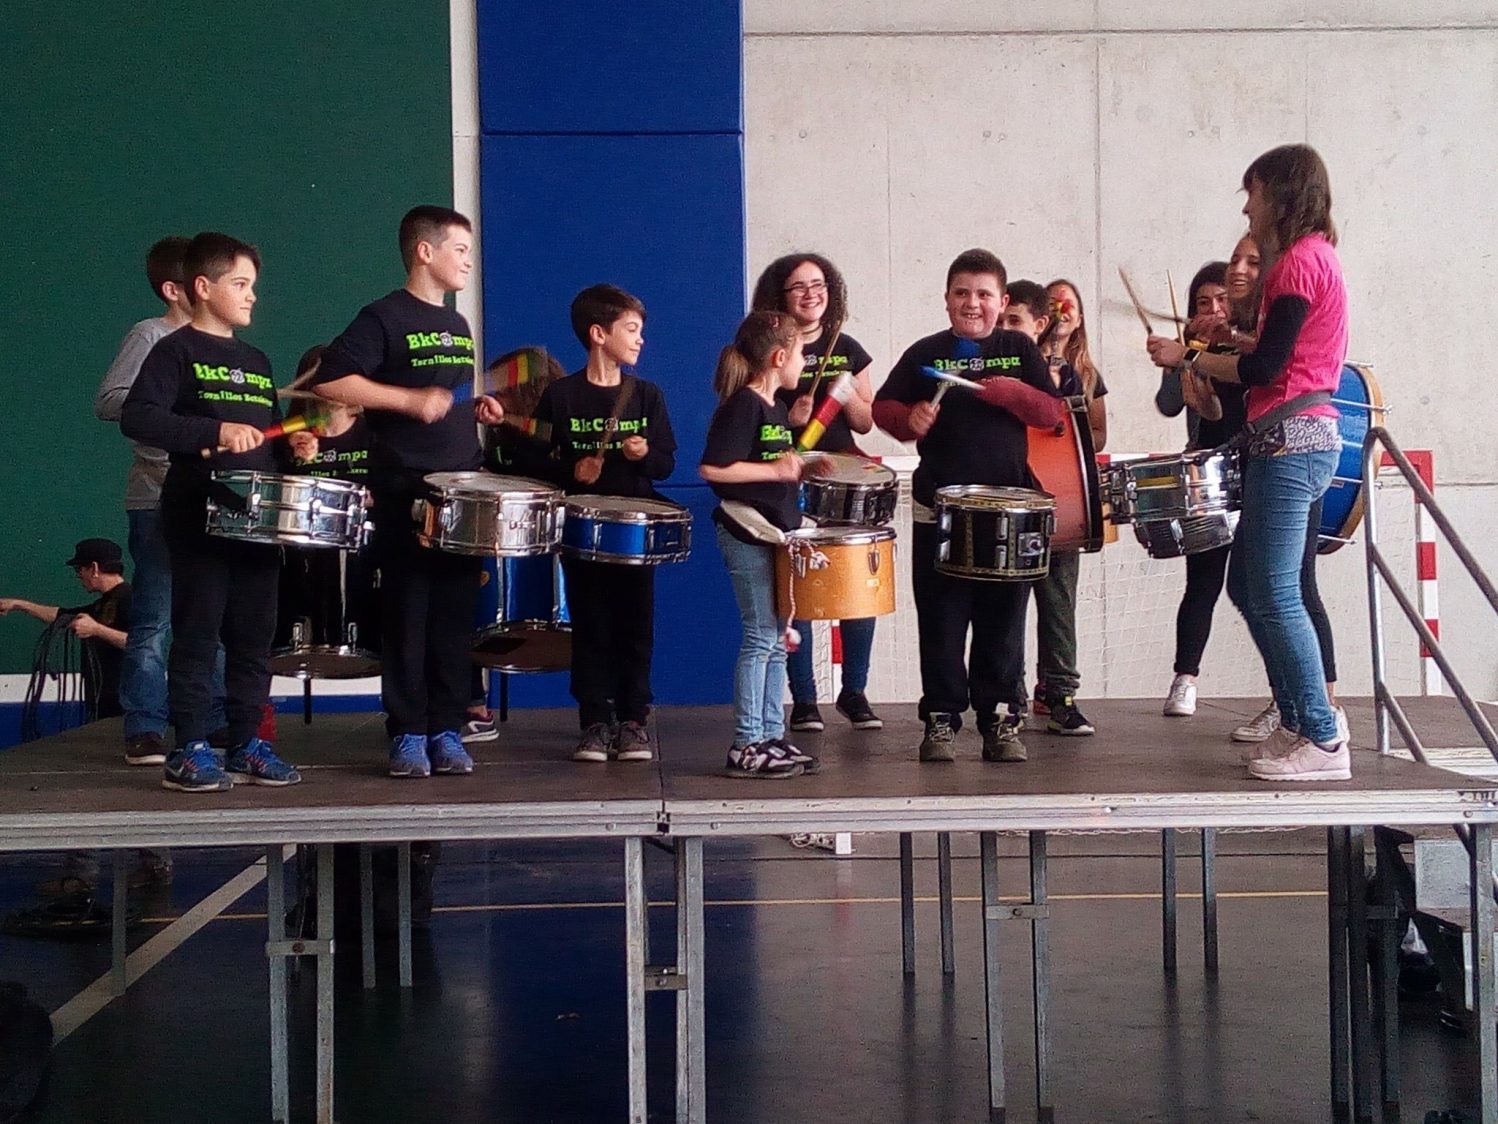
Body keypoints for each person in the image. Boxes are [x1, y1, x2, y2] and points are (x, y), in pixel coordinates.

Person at [1147, 144, 1350, 781]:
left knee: (1277, 590)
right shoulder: (1311, 260)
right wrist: (1231, 336)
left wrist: (1186, 357)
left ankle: (1322, 734)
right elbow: (1278, 349)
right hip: (1287, 441)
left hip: (1294, 442)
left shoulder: (1298, 263)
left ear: (1281, 195)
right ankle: (1298, 719)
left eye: (1253, 193)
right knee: (1250, 586)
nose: (1246, 208)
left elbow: (1265, 369)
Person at [306, 205, 505, 778]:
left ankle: (447, 728)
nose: (467, 260)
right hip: (404, 490)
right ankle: (408, 731)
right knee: (409, 616)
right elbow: (331, 380)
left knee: (454, 619)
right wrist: (408, 401)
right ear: (425, 251)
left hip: (461, 490)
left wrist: (474, 410)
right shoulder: (383, 316)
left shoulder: (458, 325)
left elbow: (444, 399)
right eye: (459, 249)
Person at [121, 232, 301, 791]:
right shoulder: (173, 351)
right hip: (198, 513)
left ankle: (246, 742)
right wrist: (213, 431)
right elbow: (137, 417)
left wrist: (294, 450)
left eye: (253, 285)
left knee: (253, 637)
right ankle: (190, 747)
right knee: (197, 634)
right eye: (240, 284)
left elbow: (265, 440)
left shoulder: (256, 360)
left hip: (257, 520)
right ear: (203, 287)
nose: (252, 296)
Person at [872, 250, 1062, 764]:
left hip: (1008, 507)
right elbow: (883, 407)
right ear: (947, 299)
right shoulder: (925, 352)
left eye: (983, 294)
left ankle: (999, 719)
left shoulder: (1019, 348)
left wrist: (1014, 394)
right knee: (941, 617)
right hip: (941, 507)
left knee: (1004, 620)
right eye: (962, 293)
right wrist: (907, 420)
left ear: (1002, 300)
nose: (972, 303)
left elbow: (1051, 412)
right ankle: (940, 718)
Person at [520, 284, 676, 762]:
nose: (640, 339)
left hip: (634, 530)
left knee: (636, 623)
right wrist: (573, 471)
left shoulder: (646, 395)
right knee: (590, 624)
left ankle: (633, 720)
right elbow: (531, 460)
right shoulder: (561, 395)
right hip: (582, 530)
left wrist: (644, 453)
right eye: (631, 329)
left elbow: (667, 464)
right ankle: (593, 720)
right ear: (598, 334)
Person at [93, 237, 225, 766]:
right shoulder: (150, 334)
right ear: (175, 289)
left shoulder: (219, 343)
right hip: (156, 497)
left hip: (210, 494)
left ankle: (212, 717)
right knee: (153, 616)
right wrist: (171, 406)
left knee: (211, 612)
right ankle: (145, 724)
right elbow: (109, 400)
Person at [750, 253, 883, 734]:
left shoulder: (846, 347)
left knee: (856, 580)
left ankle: (855, 692)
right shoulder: (769, 347)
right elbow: (752, 413)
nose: (812, 294)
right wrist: (791, 419)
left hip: (843, 473)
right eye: (799, 286)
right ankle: (804, 699)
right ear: (780, 296)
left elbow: (866, 422)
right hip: (793, 472)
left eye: (819, 284)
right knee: (798, 584)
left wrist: (846, 398)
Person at [699, 310, 825, 779]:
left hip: (773, 534)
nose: (805, 362)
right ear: (778, 357)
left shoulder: (774, 408)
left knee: (774, 641)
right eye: (801, 353)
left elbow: (770, 465)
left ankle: (771, 735)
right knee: (759, 637)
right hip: (746, 532)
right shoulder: (744, 405)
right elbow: (714, 468)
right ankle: (746, 743)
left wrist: (801, 468)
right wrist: (775, 470)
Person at [1001, 279, 1108, 736]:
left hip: (1057, 494)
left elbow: (1093, 434)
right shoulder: (1001, 366)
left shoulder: (1073, 372)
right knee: (1009, 604)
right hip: (1012, 493)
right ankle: (1010, 697)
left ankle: (1060, 692)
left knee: (1058, 599)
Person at [0, 539, 132, 720]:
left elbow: (139, 643)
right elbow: (61, 615)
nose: (78, 576)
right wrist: (19, 605)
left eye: (79, 569)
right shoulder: (102, 604)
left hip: (126, 703)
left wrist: (96, 629)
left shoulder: (130, 599)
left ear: (94, 568)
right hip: (103, 702)